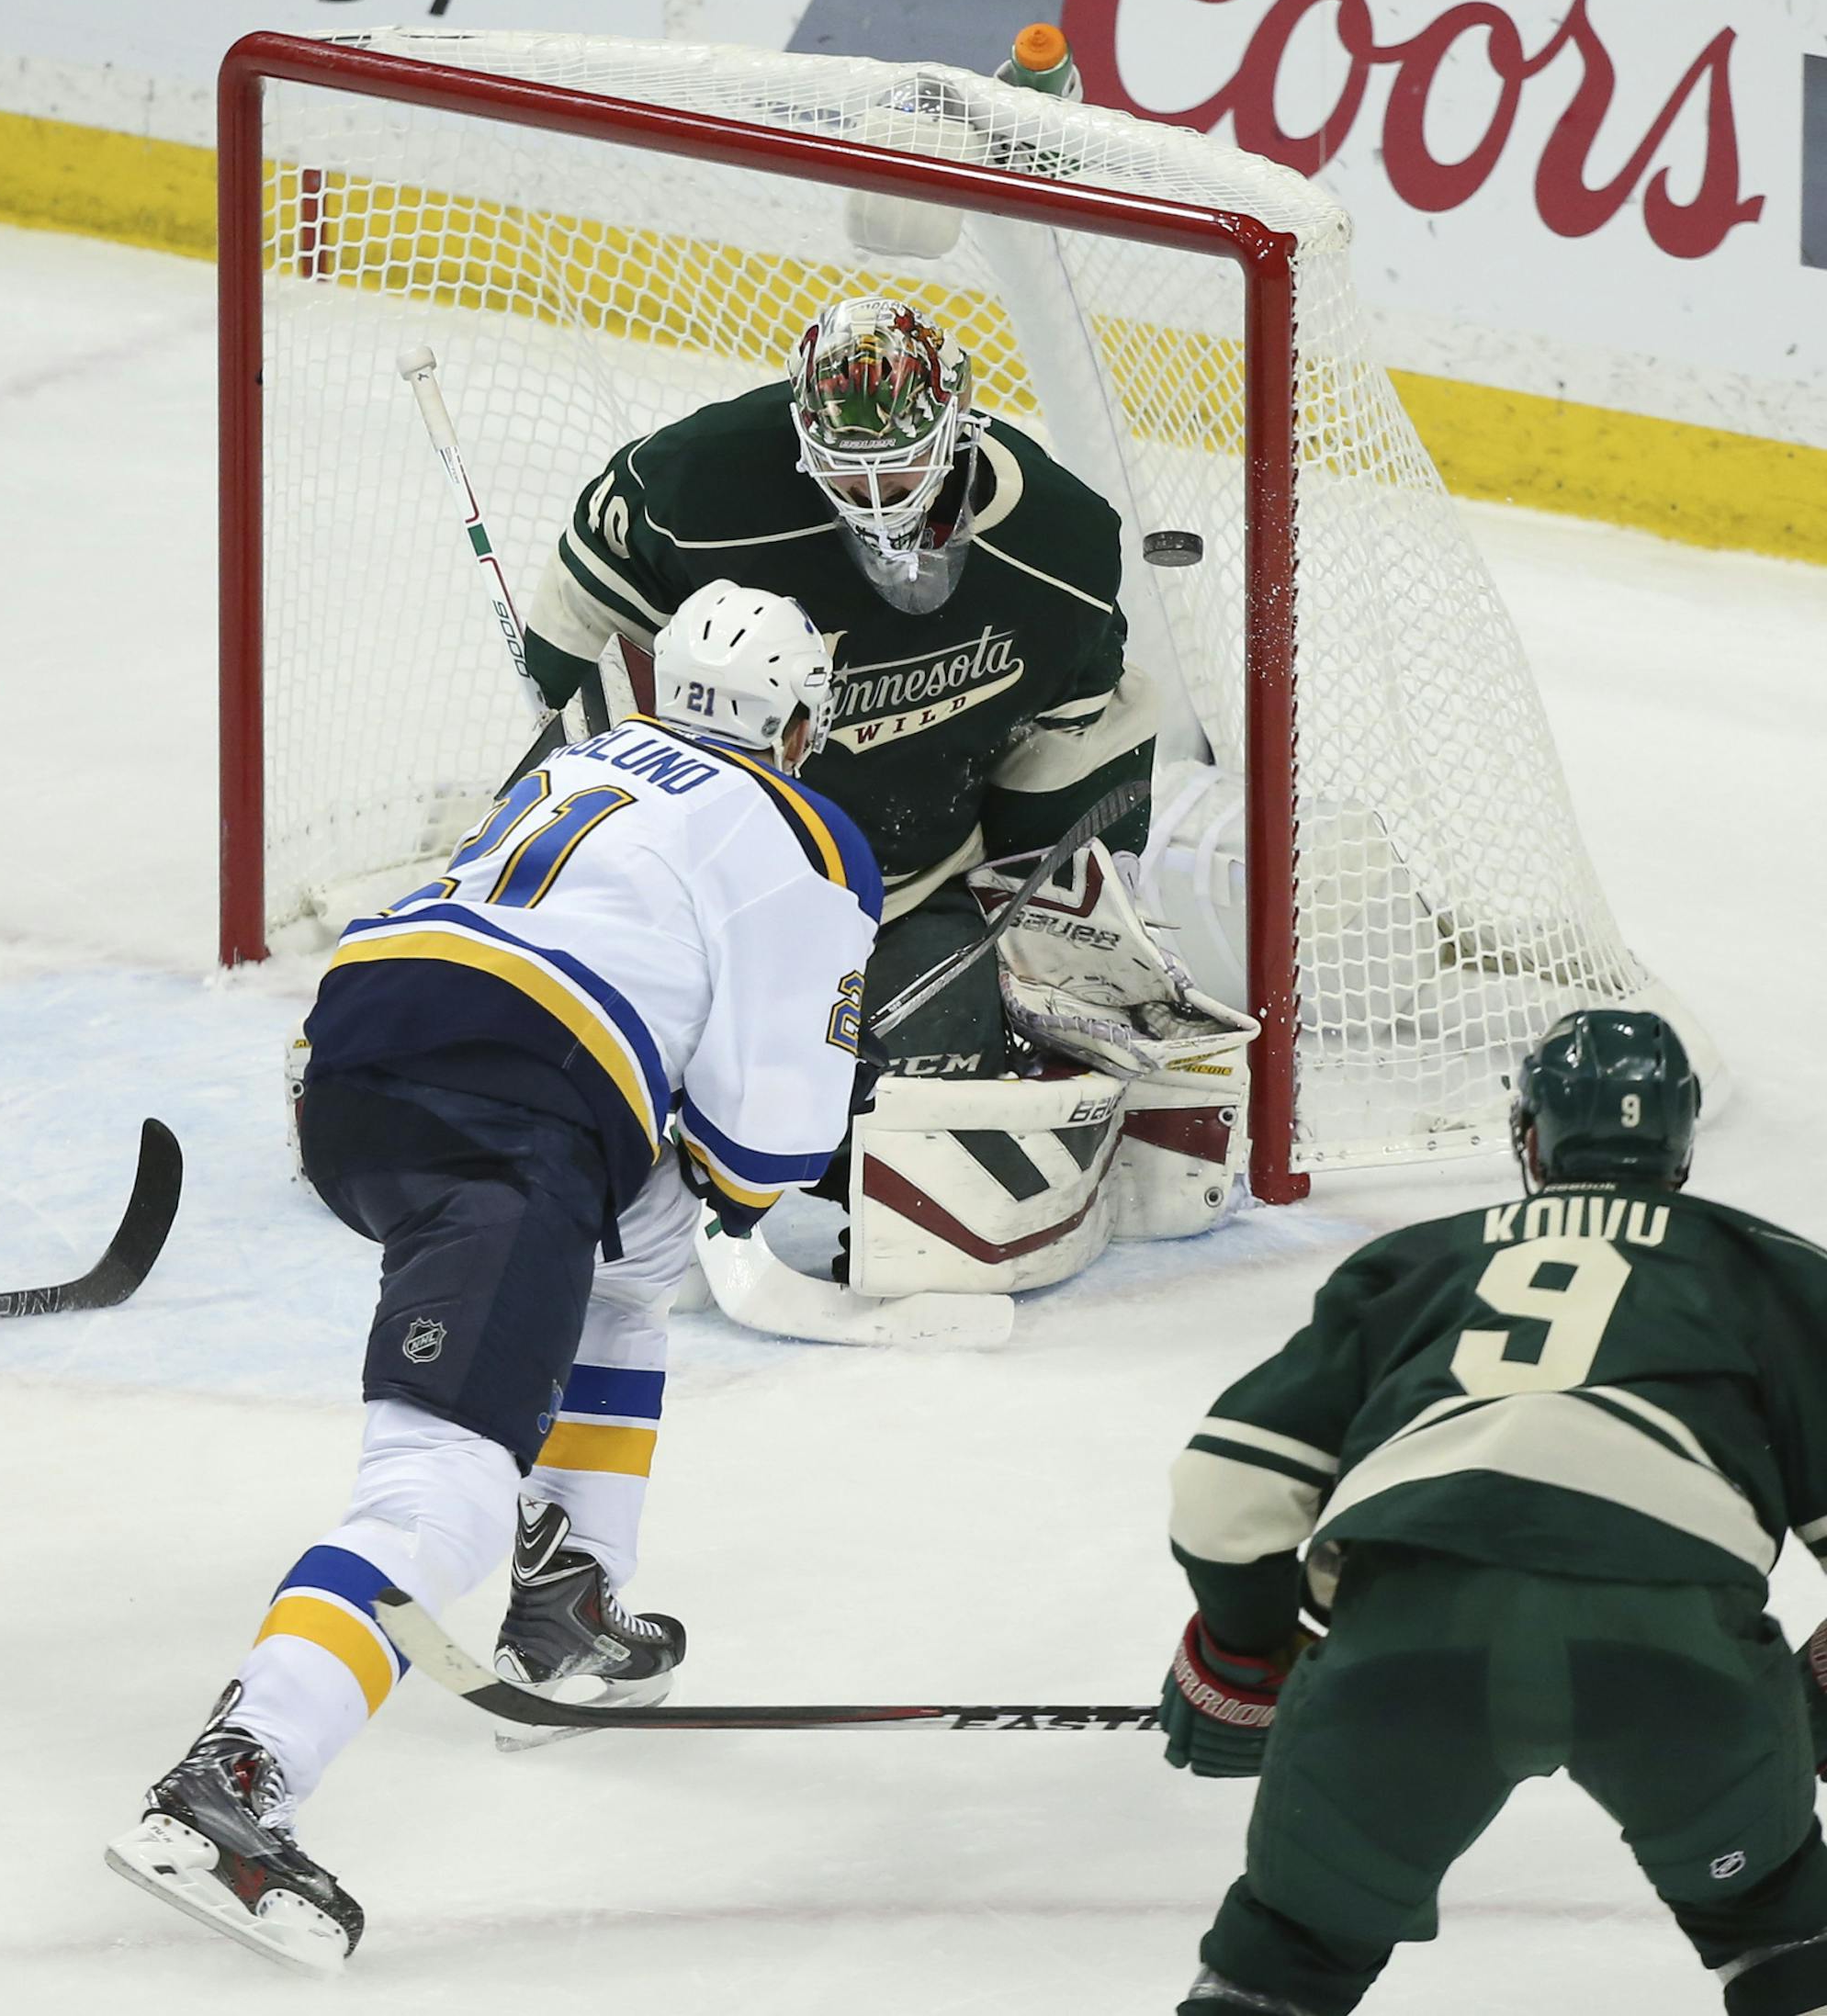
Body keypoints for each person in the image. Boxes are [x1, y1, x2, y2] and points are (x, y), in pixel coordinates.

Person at [106, 582, 882, 1973]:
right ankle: (235, 1777)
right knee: (444, 1481)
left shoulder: (582, 756)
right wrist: (725, 1153)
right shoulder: (804, 829)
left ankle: (570, 1594)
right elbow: (768, 1144)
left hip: (354, 1052)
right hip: (509, 1101)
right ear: (803, 717)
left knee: (630, 1254)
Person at [1160, 1008, 1827, 2016]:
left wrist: (1249, 1652)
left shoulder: (1417, 1263)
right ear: (1683, 1140)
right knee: (1793, 1940)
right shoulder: (1770, 1268)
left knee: (1280, 1967)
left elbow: (1226, 1489)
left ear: (1528, 1134)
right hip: (1678, 1645)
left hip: (1405, 1643)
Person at [524, 291, 1158, 1085]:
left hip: (910, 889)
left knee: (925, 1087)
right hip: (697, 880)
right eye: (846, 473)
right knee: (581, 1057)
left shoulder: (1060, 544)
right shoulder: (704, 480)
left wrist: (1052, 927)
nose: (876, 496)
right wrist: (576, 798)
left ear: (958, 423)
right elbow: (592, 608)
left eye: (900, 462)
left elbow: (1074, 741)